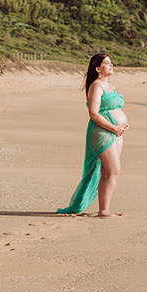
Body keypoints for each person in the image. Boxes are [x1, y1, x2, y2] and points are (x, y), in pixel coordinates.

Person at [56, 53, 128, 217]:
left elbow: (113, 108)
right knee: (113, 171)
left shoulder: (111, 86)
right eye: (107, 63)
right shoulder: (97, 86)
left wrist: (120, 126)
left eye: (111, 62)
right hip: (103, 132)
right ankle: (104, 211)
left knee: (107, 172)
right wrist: (114, 128)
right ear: (97, 68)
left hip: (115, 133)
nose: (111, 65)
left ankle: (104, 209)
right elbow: (93, 113)